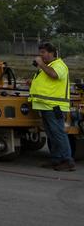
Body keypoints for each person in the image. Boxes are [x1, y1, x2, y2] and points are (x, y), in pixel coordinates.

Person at [30, 41, 75, 171]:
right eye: (40, 53)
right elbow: (47, 82)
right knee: (51, 134)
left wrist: (41, 64)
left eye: (43, 53)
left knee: (58, 133)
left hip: (54, 106)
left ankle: (67, 160)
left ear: (52, 53)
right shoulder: (46, 66)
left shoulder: (59, 65)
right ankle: (56, 159)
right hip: (45, 106)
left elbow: (54, 75)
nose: (41, 55)